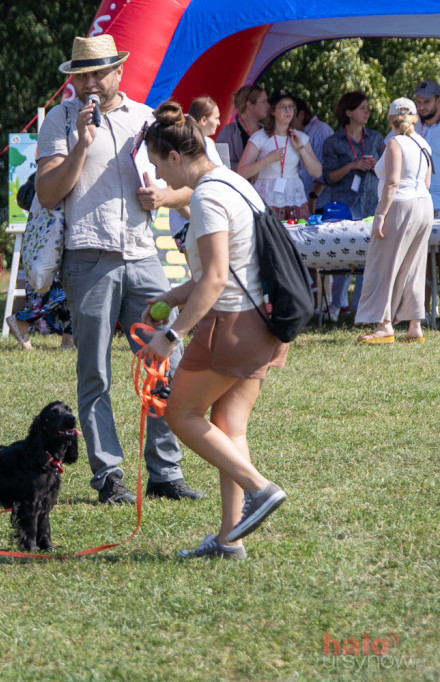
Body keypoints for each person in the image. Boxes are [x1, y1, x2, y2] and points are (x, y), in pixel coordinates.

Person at [35, 35, 203, 504]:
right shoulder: (61, 120)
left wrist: (163, 197)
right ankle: (108, 476)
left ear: (118, 73)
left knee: (165, 358)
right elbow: (48, 193)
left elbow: (188, 184)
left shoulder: (145, 119)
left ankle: (165, 473)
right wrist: (80, 146)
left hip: (143, 254)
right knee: (96, 372)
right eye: (80, 75)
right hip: (87, 258)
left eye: (97, 73)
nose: (88, 83)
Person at [140, 102, 288, 559]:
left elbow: (218, 278)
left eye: (160, 168)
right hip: (265, 324)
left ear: (177, 157)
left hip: (230, 326)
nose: (162, 181)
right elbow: (230, 269)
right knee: (229, 426)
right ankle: (229, 540)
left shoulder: (205, 197)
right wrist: (175, 296)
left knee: (180, 414)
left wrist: (170, 336)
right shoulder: (234, 183)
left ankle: (259, 489)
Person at [355, 98, 433, 344]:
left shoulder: (395, 143)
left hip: (400, 205)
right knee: (414, 266)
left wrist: (380, 216)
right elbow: (427, 183)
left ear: (391, 120)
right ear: (414, 118)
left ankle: (384, 324)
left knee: (384, 265)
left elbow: (392, 182)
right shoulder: (423, 143)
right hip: (424, 203)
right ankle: (414, 325)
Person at [322, 91, 385, 316]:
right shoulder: (333, 142)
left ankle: (361, 307)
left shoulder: (376, 138)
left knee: (369, 257)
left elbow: (388, 169)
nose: (367, 112)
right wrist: (352, 166)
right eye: (362, 108)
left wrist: (376, 165)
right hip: (344, 206)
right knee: (344, 257)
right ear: (349, 112)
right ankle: (337, 303)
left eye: (367, 107)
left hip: (371, 203)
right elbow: (328, 177)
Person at [238, 89, 322, 221]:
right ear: (272, 111)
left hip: (294, 198)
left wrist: (301, 149)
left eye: (291, 107)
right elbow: (241, 172)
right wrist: (266, 160)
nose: (288, 111)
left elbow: (317, 172)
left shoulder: (300, 137)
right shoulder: (260, 137)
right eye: (283, 107)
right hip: (266, 198)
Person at [169, 96, 225, 237]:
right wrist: (193, 219)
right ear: (204, 120)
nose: (219, 122)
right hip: (187, 221)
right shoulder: (184, 144)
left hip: (208, 216)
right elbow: (174, 186)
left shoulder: (210, 143)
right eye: (216, 118)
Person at [291, 96, 333, 212]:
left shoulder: (319, 131)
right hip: (309, 200)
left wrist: (312, 199)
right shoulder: (302, 133)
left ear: (301, 114)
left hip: (321, 203)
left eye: (291, 115)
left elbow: (323, 170)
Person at [216, 84, 269, 171]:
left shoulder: (267, 132)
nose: (268, 105)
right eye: (263, 102)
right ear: (249, 105)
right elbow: (221, 166)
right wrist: (252, 168)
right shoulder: (228, 132)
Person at [413, 80, 440, 216]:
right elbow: (387, 146)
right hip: (416, 205)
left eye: (427, 102)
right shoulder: (411, 123)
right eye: (419, 102)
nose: (421, 107)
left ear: (438, 101)